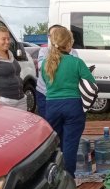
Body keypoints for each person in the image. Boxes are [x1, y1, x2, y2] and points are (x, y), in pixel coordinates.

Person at [42, 26, 96, 178]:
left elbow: (46, 83)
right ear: (68, 43)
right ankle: (68, 178)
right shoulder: (76, 62)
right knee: (70, 144)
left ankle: (52, 176)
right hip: (73, 105)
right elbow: (91, 83)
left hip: (52, 105)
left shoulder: (45, 63)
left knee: (54, 145)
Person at [36, 24, 79, 118]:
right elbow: (42, 67)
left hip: (65, 95)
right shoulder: (44, 51)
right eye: (54, 34)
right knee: (47, 123)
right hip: (44, 93)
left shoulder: (73, 52)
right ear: (49, 37)